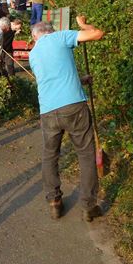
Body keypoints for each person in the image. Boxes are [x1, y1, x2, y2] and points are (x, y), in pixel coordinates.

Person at [28, 17, 104, 222]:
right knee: (86, 154)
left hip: (48, 112)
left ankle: (54, 202)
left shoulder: (33, 55)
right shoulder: (61, 36)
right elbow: (97, 34)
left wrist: (80, 80)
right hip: (74, 106)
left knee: (50, 155)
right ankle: (88, 206)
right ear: (50, 31)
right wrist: (83, 26)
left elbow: (53, 79)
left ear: (35, 37)